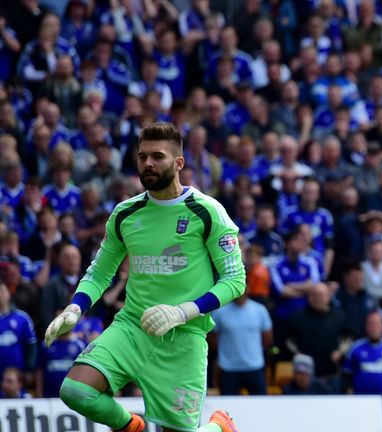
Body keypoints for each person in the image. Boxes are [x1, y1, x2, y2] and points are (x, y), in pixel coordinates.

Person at [43, 123, 245, 432]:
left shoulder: (207, 212)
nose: (148, 163)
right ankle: (131, 427)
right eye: (142, 156)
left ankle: (219, 427)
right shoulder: (126, 213)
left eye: (157, 156)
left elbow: (234, 281)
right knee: (75, 391)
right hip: (132, 328)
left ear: (179, 163)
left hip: (184, 338)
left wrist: (181, 312)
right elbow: (100, 272)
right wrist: (75, 308)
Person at [211, 293, 273, 395]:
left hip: (255, 367)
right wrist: (224, 353)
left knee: (261, 405)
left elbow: (267, 338)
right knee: (227, 407)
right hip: (228, 368)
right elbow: (212, 337)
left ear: (248, 288)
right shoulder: (220, 312)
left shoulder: (260, 310)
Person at [342, 311, 382, 395]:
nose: (374, 328)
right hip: (361, 400)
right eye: (371, 324)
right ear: (366, 326)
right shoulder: (355, 348)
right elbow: (347, 374)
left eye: (377, 324)